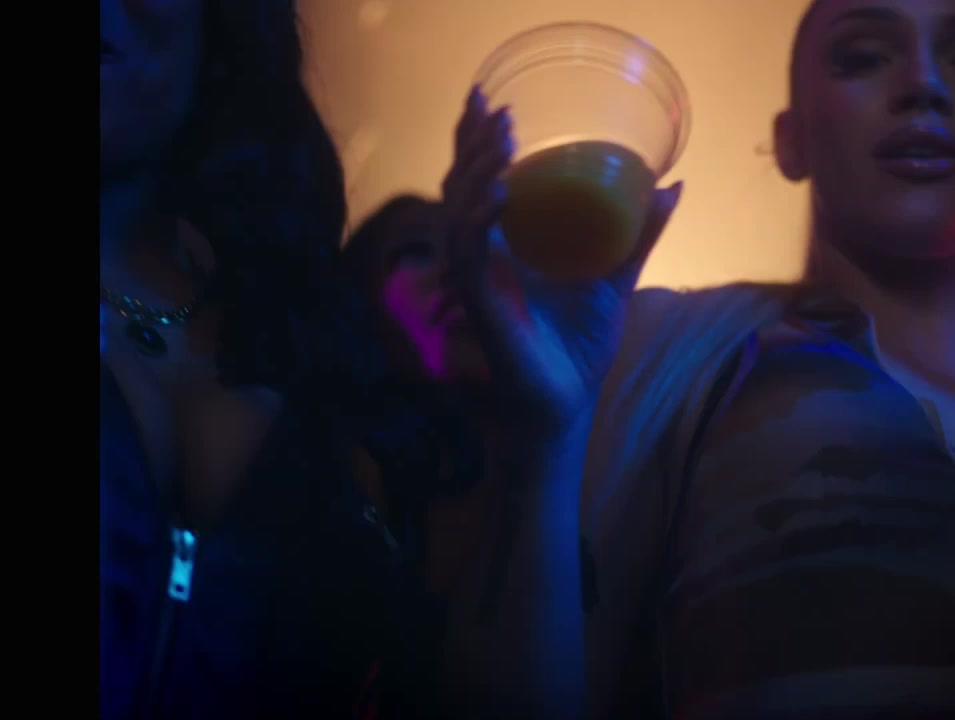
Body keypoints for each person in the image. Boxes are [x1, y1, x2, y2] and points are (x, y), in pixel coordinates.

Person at [580, 0, 955, 718]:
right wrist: (538, 432)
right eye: (863, 56)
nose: (923, 83)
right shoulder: (673, 355)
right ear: (792, 140)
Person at [99, 0, 678, 716]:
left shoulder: (326, 398)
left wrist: (554, 434)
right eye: (417, 252)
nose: (461, 276)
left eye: (472, 253)